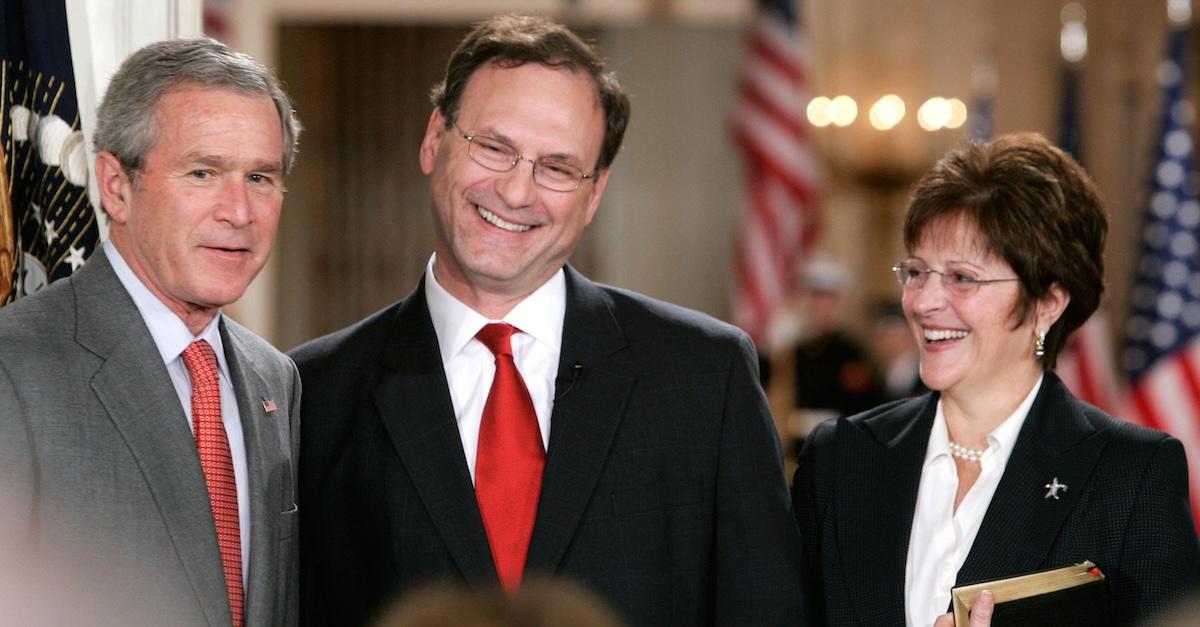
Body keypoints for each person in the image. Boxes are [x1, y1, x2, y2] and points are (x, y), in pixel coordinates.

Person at [292, 14, 801, 627]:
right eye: (495, 147)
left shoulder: (703, 377)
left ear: (594, 193)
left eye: (557, 167)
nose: (515, 191)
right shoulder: (315, 391)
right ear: (434, 139)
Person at [791, 133, 1200, 626]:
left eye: (962, 278)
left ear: (1048, 302)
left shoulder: (1132, 477)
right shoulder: (840, 457)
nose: (922, 302)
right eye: (917, 272)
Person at [0, 38, 302, 625]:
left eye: (261, 178)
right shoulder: (15, 370)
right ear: (116, 186)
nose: (239, 212)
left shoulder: (275, 378)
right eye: (203, 172)